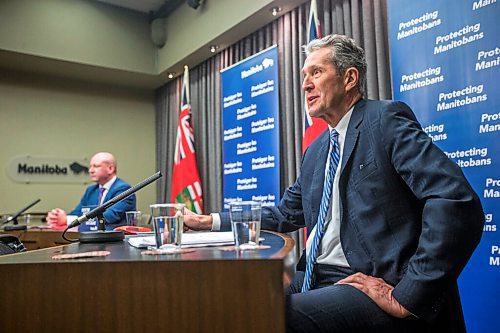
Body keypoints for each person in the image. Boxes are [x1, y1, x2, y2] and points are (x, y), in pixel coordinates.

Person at [184, 34, 485, 332]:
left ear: (350, 78)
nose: (305, 84)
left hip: (365, 280)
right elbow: (284, 215)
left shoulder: (385, 121)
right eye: (304, 75)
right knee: (232, 305)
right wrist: (208, 220)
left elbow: (454, 201)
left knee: (272, 318)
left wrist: (408, 294)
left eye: (317, 72)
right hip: (314, 274)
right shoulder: (316, 151)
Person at [46, 152, 136, 231]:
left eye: (96, 166)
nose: (90, 170)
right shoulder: (91, 190)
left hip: (115, 243)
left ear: (110, 169)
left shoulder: (124, 189)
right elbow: (78, 212)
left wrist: (67, 220)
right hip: (92, 239)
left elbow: (108, 217)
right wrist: (57, 217)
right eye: (90, 166)